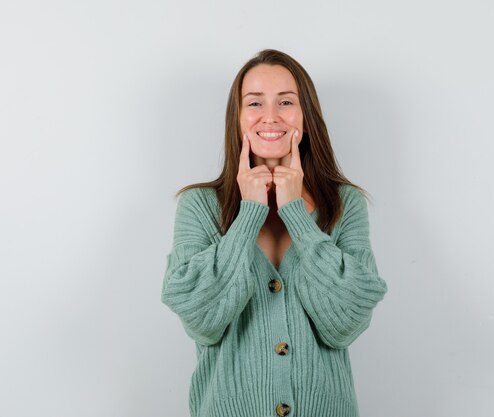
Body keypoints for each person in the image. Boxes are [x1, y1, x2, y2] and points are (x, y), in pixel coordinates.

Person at [161, 49, 388, 417]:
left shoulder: (344, 204)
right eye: (254, 103)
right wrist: (248, 215)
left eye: (286, 101)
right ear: (237, 117)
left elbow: (346, 325)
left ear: (305, 115)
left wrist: (296, 215)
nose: (270, 116)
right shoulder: (199, 205)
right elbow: (201, 321)